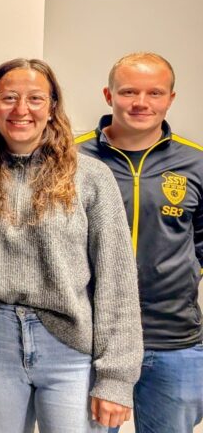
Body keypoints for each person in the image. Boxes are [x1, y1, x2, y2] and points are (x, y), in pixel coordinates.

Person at [0, 58, 143, 432]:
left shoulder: (91, 177)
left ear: (52, 108)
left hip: (69, 346)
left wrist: (116, 377)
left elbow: (117, 280)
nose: (21, 109)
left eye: (35, 98)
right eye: (9, 98)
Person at [77, 52, 203, 433]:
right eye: (129, 91)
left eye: (155, 93)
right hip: (91, 340)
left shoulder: (195, 163)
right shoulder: (73, 158)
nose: (141, 103)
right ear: (108, 95)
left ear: (171, 99)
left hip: (173, 340)